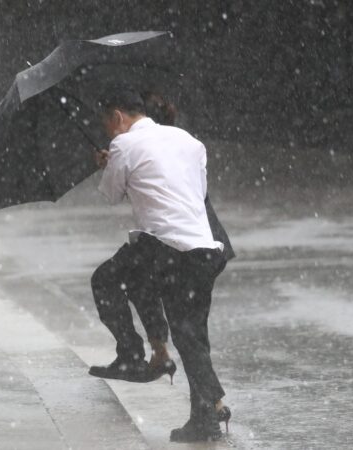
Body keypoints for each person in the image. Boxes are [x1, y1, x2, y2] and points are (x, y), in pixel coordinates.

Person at [88, 87, 227, 441]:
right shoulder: (188, 141)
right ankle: (203, 413)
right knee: (192, 332)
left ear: (118, 117)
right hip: (206, 248)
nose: (110, 132)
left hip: (169, 248)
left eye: (108, 124)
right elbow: (192, 191)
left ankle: (137, 357)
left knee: (107, 280)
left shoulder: (123, 145)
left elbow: (110, 194)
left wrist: (108, 162)